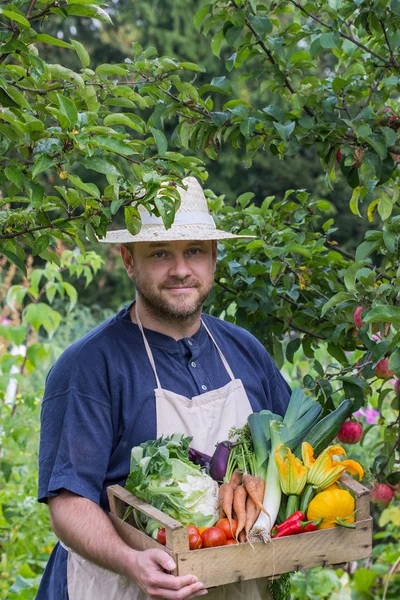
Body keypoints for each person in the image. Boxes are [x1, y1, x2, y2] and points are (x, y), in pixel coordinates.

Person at [36, 177, 291, 600]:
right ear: (128, 260)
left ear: (212, 257)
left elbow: (289, 458)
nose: (180, 270)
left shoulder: (244, 350)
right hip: (119, 587)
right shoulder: (88, 367)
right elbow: (68, 502)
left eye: (193, 251)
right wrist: (130, 560)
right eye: (159, 253)